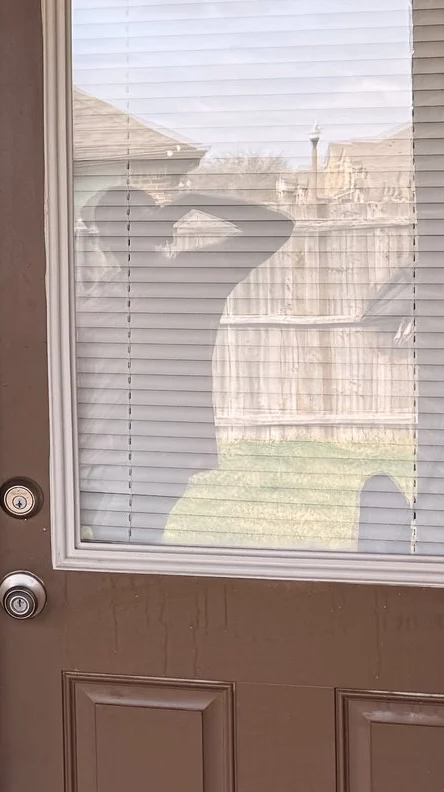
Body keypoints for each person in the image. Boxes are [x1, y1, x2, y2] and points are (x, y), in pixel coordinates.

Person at [77, 184, 295, 545]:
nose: (121, 230)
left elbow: (276, 227)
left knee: (118, 552)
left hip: (152, 454)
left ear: (162, 223)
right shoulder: (97, 292)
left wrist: (191, 200)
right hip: (91, 451)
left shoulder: (193, 274)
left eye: (134, 217)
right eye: (110, 223)